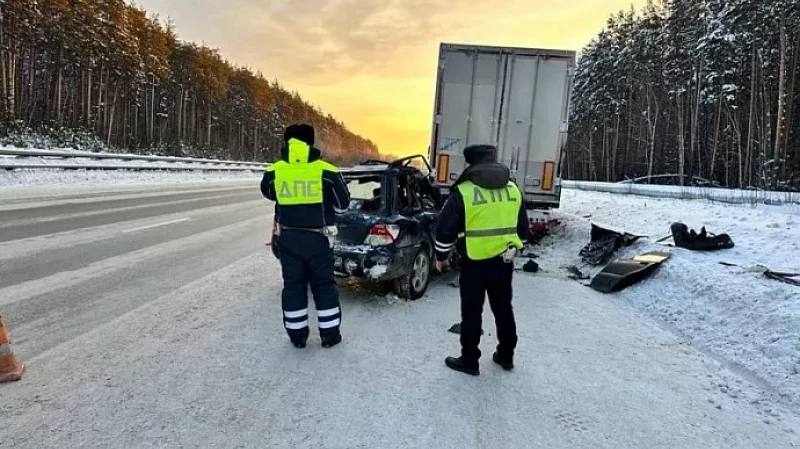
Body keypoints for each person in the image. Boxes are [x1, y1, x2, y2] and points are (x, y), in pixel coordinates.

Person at [434, 144, 529, 375]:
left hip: (474, 262)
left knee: (471, 311)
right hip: (504, 262)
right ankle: (506, 355)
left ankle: (469, 360)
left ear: (471, 164)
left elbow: (445, 229)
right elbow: (523, 229)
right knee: (504, 309)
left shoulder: (465, 191)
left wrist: (441, 257)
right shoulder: (513, 189)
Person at [261, 124, 350, 348]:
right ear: (311, 143)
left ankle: (297, 336)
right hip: (319, 239)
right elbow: (343, 205)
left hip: (288, 239)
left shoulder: (274, 171)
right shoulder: (327, 171)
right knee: (324, 286)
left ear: (287, 142)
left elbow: (269, 193)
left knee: (293, 286)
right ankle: (330, 335)